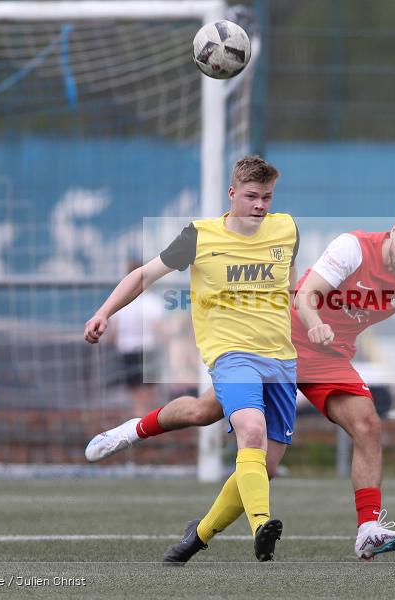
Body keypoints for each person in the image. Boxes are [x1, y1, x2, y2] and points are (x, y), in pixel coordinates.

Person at [87, 200, 395, 561]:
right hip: (280, 344)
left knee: (364, 426)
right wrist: (315, 322)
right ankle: (133, 429)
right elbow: (306, 293)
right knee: (202, 412)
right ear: (394, 230)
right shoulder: (352, 247)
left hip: (328, 361)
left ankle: (367, 529)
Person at [84, 156, 299, 564]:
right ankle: (261, 526)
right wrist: (104, 312)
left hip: (281, 359)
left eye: (266, 197)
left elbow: (290, 286)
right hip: (230, 354)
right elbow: (142, 276)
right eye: (251, 196)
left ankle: (195, 536)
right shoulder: (200, 236)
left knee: (235, 442)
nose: (260, 205)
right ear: (232, 194)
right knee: (250, 431)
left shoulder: (286, 228)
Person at [110, 260, 165, 416]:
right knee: (148, 393)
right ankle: (145, 423)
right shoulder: (152, 301)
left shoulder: (120, 301)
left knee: (136, 395)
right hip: (148, 349)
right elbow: (158, 328)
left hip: (127, 350)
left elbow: (113, 333)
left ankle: (138, 421)